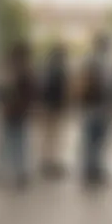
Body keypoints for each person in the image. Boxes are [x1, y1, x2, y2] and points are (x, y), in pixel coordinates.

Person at [0, 42, 35, 186]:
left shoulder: (15, 71)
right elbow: (0, 92)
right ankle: (14, 173)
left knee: (12, 143)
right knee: (14, 143)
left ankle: (11, 173)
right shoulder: (14, 72)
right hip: (13, 112)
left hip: (15, 112)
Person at [77, 34, 112, 185]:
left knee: (91, 140)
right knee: (96, 140)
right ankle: (93, 169)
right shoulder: (105, 63)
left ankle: (90, 169)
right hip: (99, 106)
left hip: (92, 106)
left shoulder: (89, 61)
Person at [39, 44, 69, 178]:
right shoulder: (58, 71)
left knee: (49, 138)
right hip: (54, 108)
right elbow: (60, 91)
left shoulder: (47, 70)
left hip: (49, 108)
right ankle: (50, 164)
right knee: (53, 138)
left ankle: (47, 163)